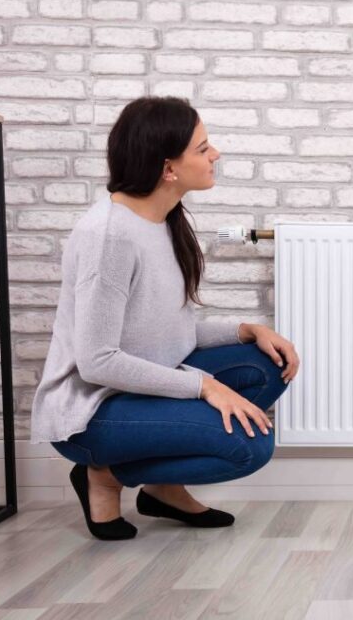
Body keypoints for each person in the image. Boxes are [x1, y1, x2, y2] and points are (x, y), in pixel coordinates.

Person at [30, 97, 301, 541]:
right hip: (93, 411)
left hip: (139, 388)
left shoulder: (162, 219)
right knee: (250, 446)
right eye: (203, 148)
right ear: (168, 169)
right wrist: (205, 387)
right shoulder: (109, 238)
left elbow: (168, 332)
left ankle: (162, 490)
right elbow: (97, 362)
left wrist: (248, 330)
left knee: (266, 363)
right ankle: (105, 476)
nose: (215, 155)